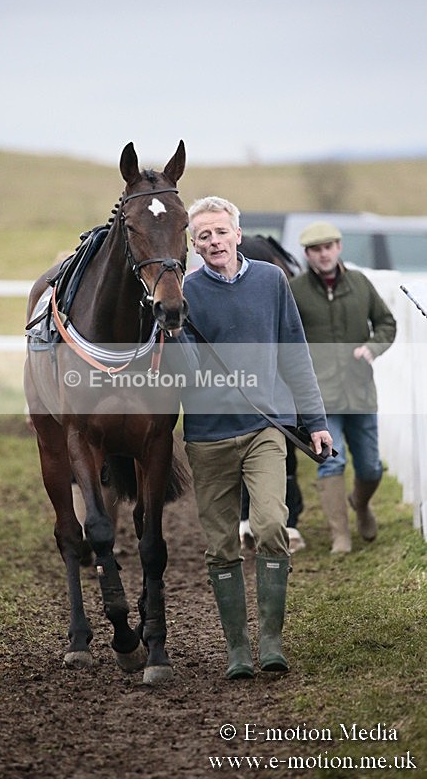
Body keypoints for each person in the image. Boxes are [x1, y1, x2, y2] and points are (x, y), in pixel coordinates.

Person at [175, 196, 332, 680]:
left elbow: (295, 352)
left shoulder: (271, 280)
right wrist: (170, 331)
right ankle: (237, 649)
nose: (214, 241)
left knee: (269, 526)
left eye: (221, 231)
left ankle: (270, 642)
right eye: (203, 236)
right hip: (208, 437)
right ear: (194, 245)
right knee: (221, 545)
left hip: (265, 428)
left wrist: (316, 420)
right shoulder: (183, 293)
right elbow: (185, 374)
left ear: (238, 234)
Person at [289, 222, 396, 554]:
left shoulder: (360, 283)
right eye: (316, 249)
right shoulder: (295, 290)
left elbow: (386, 322)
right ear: (307, 254)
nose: (323, 254)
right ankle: (340, 536)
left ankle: (360, 504)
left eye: (328, 247)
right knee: (331, 462)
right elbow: (285, 337)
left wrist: (373, 348)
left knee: (370, 466)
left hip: (360, 392)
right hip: (320, 398)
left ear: (338, 247)